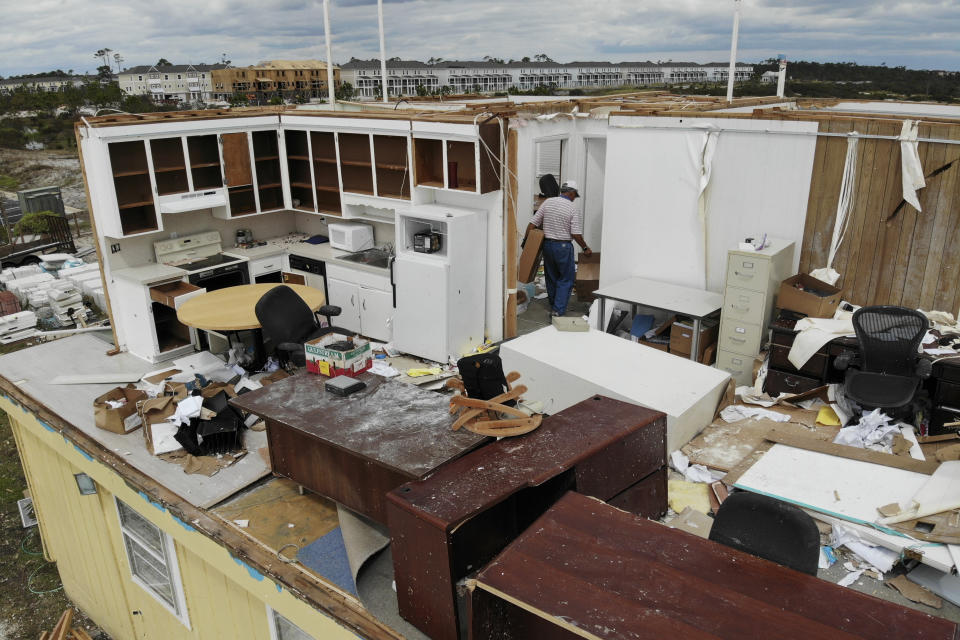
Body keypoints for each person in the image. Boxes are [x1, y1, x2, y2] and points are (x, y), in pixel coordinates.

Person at [525, 180, 592, 317]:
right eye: (575, 195)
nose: (574, 198)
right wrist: (585, 248)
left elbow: (532, 224)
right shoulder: (572, 209)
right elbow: (575, 234)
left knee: (551, 276)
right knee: (566, 278)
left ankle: (553, 303)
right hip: (563, 247)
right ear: (571, 193)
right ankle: (557, 310)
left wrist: (527, 243)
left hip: (547, 245)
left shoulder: (548, 202)